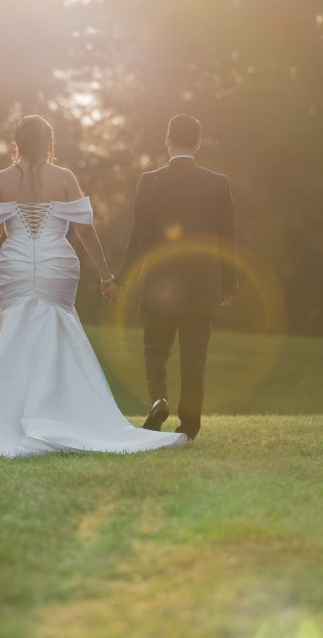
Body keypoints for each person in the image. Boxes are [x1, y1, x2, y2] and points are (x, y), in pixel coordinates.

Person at [0, 114, 186, 458]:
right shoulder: (65, 177)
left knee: (15, 330)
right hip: (57, 262)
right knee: (55, 328)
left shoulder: (1, 178)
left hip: (15, 264)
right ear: (49, 143)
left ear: (17, 143)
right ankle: (60, 412)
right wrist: (105, 274)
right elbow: (85, 231)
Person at [103, 114, 238, 441]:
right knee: (194, 357)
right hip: (203, 284)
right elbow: (227, 238)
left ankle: (158, 399)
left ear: (167, 140)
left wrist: (120, 279)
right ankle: (189, 425)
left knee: (155, 349)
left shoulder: (150, 181)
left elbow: (139, 238)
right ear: (198, 142)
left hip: (160, 283)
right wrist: (228, 283)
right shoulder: (218, 183)